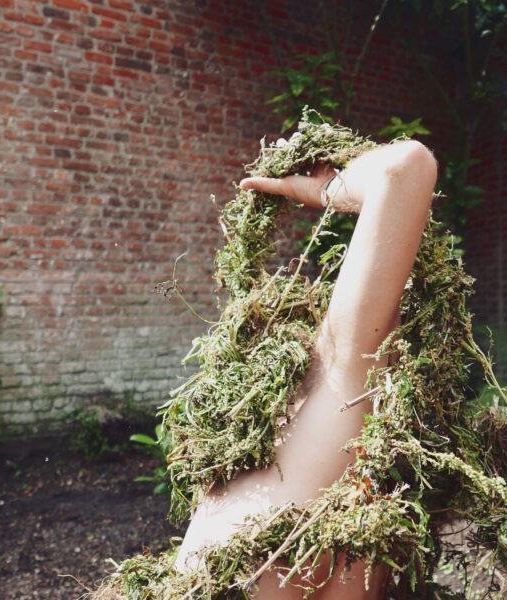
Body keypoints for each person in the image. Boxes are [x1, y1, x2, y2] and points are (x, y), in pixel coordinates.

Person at [173, 139, 438, 599]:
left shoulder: (329, 400)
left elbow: (405, 168)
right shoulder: (309, 461)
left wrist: (324, 190)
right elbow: (399, 168)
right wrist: (328, 189)